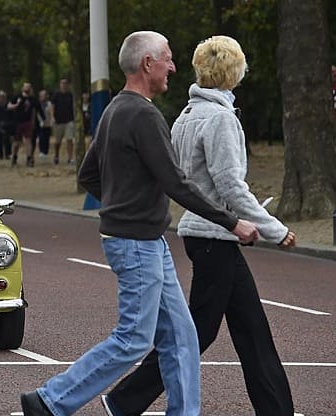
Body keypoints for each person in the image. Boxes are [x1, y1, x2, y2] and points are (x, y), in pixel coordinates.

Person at [19, 31, 260, 416]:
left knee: (182, 337)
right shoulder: (145, 115)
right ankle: (51, 400)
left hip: (141, 240)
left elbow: (88, 175)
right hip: (137, 243)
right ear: (148, 63)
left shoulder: (116, 109)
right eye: (167, 58)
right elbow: (176, 183)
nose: (173, 66)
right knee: (133, 338)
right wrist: (234, 223)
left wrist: (121, 200)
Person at [103, 35, 296, 416]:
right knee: (197, 332)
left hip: (204, 232)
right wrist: (274, 229)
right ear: (233, 72)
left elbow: (181, 177)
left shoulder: (187, 115)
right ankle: (124, 400)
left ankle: (276, 410)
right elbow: (230, 186)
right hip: (215, 235)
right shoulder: (221, 118)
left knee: (252, 329)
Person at [8, 82, 39, 167]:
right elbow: (9, 106)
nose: (27, 89)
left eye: (28, 87)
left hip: (27, 122)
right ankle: (14, 156)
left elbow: (36, 109)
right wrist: (16, 105)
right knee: (17, 142)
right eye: (26, 87)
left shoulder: (33, 99)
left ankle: (29, 158)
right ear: (22, 88)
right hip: (18, 122)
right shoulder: (17, 97)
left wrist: (38, 121)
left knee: (28, 140)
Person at [51, 79, 75, 165]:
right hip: (58, 121)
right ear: (60, 85)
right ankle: (56, 156)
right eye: (62, 83)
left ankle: (70, 157)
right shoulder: (56, 95)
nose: (64, 85)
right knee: (58, 141)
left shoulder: (70, 95)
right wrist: (52, 117)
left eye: (65, 83)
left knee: (69, 139)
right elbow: (52, 106)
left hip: (69, 120)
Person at [36, 89, 53, 159]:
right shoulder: (38, 103)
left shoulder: (49, 103)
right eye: (41, 95)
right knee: (41, 137)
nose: (43, 96)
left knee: (47, 138)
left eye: (44, 95)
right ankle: (41, 151)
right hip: (40, 123)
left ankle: (45, 151)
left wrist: (51, 120)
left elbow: (51, 112)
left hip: (47, 123)